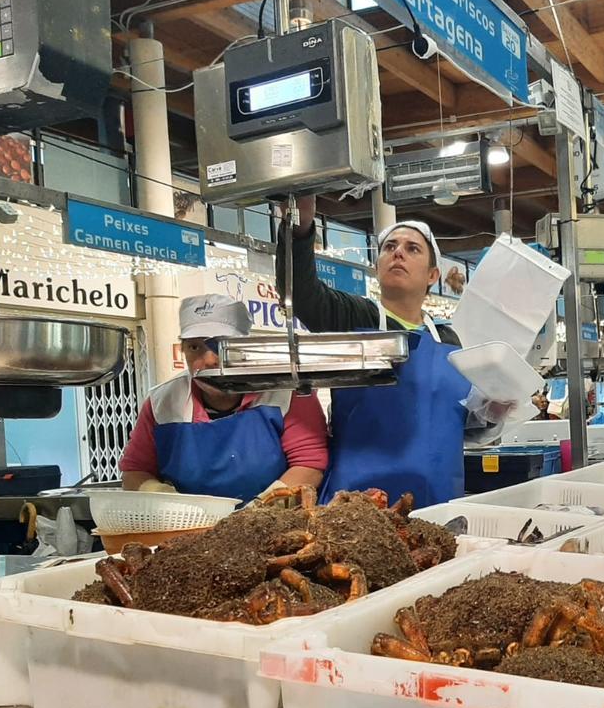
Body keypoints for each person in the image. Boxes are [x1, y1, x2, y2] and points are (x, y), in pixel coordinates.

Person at [279, 197, 501, 506]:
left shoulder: (449, 340)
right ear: (378, 266)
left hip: (436, 499)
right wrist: (300, 228)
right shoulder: (355, 317)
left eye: (412, 249)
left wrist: (493, 411)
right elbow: (303, 297)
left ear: (433, 276)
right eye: (389, 247)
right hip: (357, 505)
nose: (398, 252)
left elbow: (463, 425)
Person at [120, 294, 329, 500]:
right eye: (195, 347)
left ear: (244, 348)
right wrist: (161, 494)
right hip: (190, 524)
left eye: (221, 346)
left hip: (274, 524)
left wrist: (266, 506)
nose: (210, 360)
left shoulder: (286, 392)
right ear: (182, 350)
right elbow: (134, 471)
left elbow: (309, 464)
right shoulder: (163, 402)